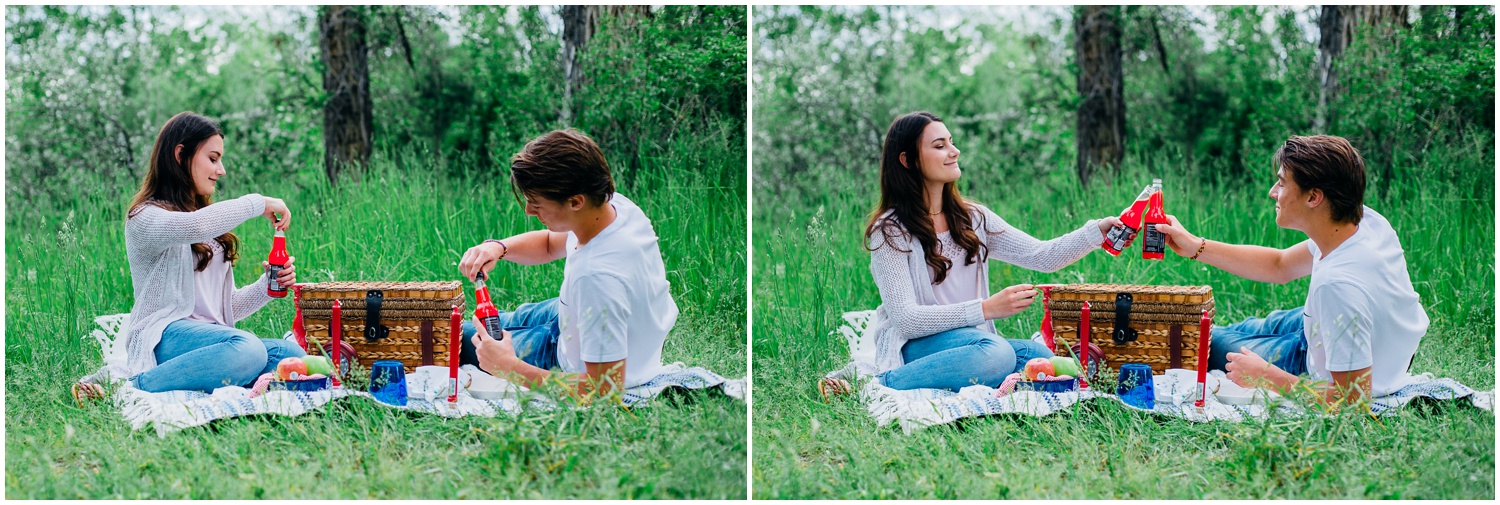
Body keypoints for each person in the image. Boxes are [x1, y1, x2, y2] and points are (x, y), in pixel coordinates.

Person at [821, 111, 1120, 398]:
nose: (954, 151)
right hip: (913, 344)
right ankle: (875, 383)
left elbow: (1042, 256)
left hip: (973, 342)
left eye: (951, 142)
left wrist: (1097, 232)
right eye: (940, 146)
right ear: (908, 160)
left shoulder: (975, 219)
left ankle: (965, 375)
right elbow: (907, 320)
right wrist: (986, 309)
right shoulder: (890, 231)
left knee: (1038, 356)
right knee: (998, 354)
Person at [1155, 134, 1426, 409]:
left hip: (1315, 360)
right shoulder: (1364, 223)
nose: (1273, 191)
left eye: (1282, 183)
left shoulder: (1337, 286)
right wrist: (1195, 246)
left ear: (1313, 197)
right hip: (1323, 331)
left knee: (1204, 342)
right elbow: (1280, 265)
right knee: (1241, 329)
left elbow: (1353, 399)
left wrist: (1267, 376)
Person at [74, 112, 303, 402]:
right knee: (249, 350)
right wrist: (259, 203)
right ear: (181, 154)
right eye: (213, 158)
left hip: (208, 337)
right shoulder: (144, 218)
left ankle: (204, 379)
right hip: (163, 338)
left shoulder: (208, 224)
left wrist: (266, 287)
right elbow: (193, 227)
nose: (221, 170)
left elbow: (223, 308)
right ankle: (129, 387)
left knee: (291, 355)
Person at [457, 129, 677, 401]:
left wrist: (509, 368)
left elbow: (603, 389)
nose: (528, 211)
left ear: (575, 201)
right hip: (571, 317)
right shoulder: (614, 207)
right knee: (492, 324)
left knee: (458, 337)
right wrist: (498, 247)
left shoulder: (597, 277)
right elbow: (551, 244)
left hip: (568, 359)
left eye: (536, 204)